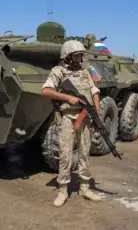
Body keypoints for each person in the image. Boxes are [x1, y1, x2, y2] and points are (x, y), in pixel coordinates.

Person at [41, 40, 102, 207]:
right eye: (76, 54)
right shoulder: (58, 71)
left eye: (80, 54)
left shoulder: (85, 72)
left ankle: (84, 187)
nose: (79, 57)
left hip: (86, 117)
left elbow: (95, 92)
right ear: (68, 56)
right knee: (65, 154)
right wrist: (68, 98)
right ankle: (62, 190)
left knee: (84, 153)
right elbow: (46, 90)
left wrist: (97, 114)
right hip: (68, 117)